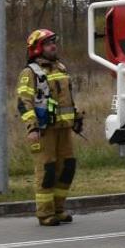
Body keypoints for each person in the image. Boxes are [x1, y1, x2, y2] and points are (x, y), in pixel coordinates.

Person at [17, 29, 82, 226]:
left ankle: (58, 209)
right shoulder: (30, 72)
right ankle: (45, 213)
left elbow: (66, 99)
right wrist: (32, 128)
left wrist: (76, 117)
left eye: (54, 42)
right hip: (44, 131)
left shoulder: (60, 68)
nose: (53, 46)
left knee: (67, 168)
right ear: (37, 48)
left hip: (63, 129)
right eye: (48, 43)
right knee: (47, 171)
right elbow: (23, 102)